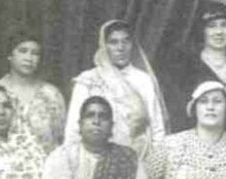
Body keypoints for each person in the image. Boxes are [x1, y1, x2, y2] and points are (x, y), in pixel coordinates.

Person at [162, 2, 226, 156]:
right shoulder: (184, 67)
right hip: (197, 149)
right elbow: (178, 113)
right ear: (201, 30)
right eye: (211, 26)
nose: (219, 32)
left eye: (224, 25)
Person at [64, 19, 168, 155]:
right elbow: (73, 128)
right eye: (113, 42)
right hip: (97, 157)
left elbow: (157, 127)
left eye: (126, 41)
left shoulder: (143, 80)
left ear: (132, 45)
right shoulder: (88, 80)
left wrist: (157, 160)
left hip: (138, 156)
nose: (120, 48)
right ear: (104, 46)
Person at [0, 28, 67, 153]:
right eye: (23, 51)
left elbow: (62, 141)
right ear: (10, 55)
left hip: (45, 163)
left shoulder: (52, 95)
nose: (29, 58)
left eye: (35, 53)